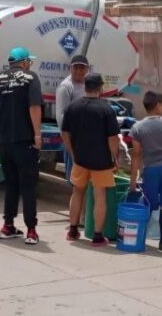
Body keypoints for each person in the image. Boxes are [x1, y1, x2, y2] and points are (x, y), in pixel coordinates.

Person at [0, 47, 44, 245]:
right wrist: (37, 134)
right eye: (29, 62)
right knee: (28, 186)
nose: (29, 65)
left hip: (4, 142)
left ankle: (8, 226)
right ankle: (31, 230)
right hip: (24, 141)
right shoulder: (30, 78)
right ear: (24, 62)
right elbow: (34, 106)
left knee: (11, 185)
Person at [61, 73, 121, 246]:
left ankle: (73, 230)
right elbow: (113, 139)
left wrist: (72, 152)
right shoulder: (106, 109)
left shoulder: (73, 107)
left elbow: (65, 133)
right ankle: (97, 236)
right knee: (99, 195)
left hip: (80, 159)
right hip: (101, 162)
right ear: (100, 88)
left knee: (77, 192)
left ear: (84, 87)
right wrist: (115, 158)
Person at [129, 91, 162, 253]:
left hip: (150, 169)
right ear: (159, 105)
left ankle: (141, 237)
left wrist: (133, 180)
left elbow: (137, 156)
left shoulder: (137, 127)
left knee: (148, 204)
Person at [55, 55, 90, 182]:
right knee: (74, 177)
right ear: (70, 68)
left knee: (85, 176)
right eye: (76, 67)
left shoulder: (89, 84)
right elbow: (61, 116)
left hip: (87, 137)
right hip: (73, 139)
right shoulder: (65, 87)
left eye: (82, 68)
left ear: (87, 69)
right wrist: (68, 140)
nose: (79, 71)